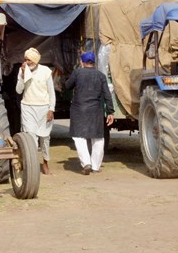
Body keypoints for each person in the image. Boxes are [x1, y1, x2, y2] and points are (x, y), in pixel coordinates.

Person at [65, 51, 115, 175]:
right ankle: (96, 166)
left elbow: (67, 86)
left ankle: (86, 163)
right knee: (98, 137)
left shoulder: (77, 73)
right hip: (96, 110)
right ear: (94, 63)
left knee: (78, 136)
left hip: (79, 109)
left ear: (82, 62)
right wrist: (110, 111)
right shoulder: (101, 76)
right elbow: (107, 94)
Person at [15, 47, 56, 175]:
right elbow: (18, 90)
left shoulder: (46, 71)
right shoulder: (22, 71)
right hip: (28, 107)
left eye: (29, 60)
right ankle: (31, 165)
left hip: (44, 108)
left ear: (35, 60)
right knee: (30, 137)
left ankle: (45, 162)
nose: (27, 62)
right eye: (25, 59)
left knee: (45, 138)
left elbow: (52, 93)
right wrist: (22, 75)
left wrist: (51, 109)